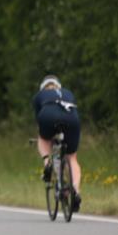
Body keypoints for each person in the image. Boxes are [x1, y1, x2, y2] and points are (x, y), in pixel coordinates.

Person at [33, 75, 82, 212]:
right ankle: (75, 190)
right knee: (72, 157)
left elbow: (39, 121)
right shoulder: (68, 92)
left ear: (43, 88)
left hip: (48, 115)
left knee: (43, 138)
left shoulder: (40, 95)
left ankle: (47, 162)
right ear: (58, 87)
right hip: (72, 119)